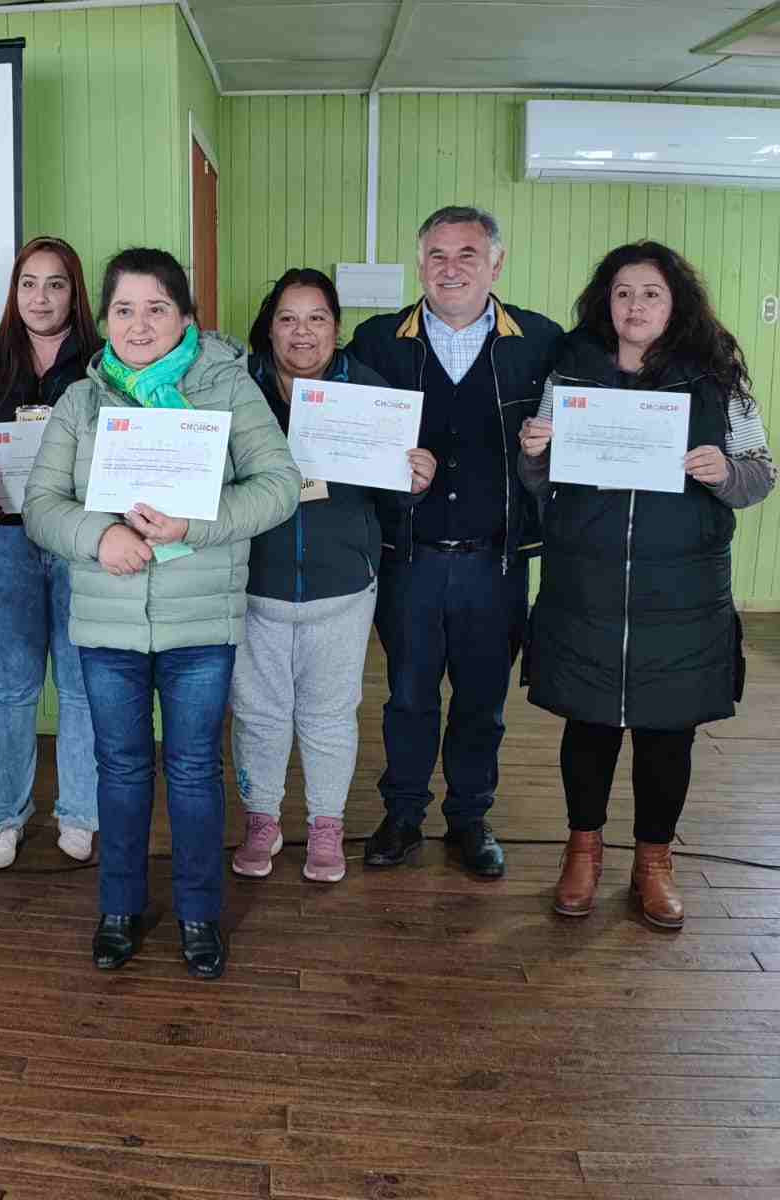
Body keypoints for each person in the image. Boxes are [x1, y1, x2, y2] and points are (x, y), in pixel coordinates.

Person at [24, 247, 301, 979]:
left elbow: (279, 484)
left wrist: (196, 523)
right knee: (118, 770)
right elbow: (42, 507)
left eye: (156, 308)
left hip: (200, 623)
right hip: (108, 621)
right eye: (123, 309)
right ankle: (119, 908)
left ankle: (200, 915)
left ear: (185, 317)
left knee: (191, 771)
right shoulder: (82, 402)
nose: (139, 324)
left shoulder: (227, 388)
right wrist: (100, 534)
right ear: (105, 318)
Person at [519, 241, 775, 928]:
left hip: (682, 594)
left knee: (669, 737)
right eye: (624, 293)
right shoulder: (571, 371)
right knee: (590, 725)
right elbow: (541, 481)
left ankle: (654, 863)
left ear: (675, 303)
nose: (636, 306)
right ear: (607, 301)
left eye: (651, 294)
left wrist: (723, 471)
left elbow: (759, 476)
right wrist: (533, 454)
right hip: (586, 585)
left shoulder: (718, 380)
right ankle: (583, 852)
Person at [349, 205, 562, 879]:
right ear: (419, 265)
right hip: (407, 561)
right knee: (408, 697)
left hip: (493, 563)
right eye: (437, 255)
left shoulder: (541, 342)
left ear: (497, 264)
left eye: (467, 254)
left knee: (481, 702)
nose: (451, 268)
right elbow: (348, 446)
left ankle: (470, 817)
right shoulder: (377, 340)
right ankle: (404, 814)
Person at [231, 269, 436, 884]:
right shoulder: (238, 393)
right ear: (269, 327)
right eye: (288, 318)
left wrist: (415, 482)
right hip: (253, 585)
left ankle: (326, 826)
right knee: (257, 714)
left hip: (343, 586)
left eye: (316, 317)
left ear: (336, 327)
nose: (302, 332)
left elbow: (392, 503)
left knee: (328, 714)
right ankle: (261, 821)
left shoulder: (371, 394)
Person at [0, 236, 102, 868]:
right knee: (12, 687)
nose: (41, 297)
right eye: (29, 284)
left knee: (78, 686)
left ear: (76, 294)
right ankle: (1, 818)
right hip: (5, 543)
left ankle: (80, 813)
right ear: (14, 293)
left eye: (56, 284)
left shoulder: (104, 363)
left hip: (77, 539)